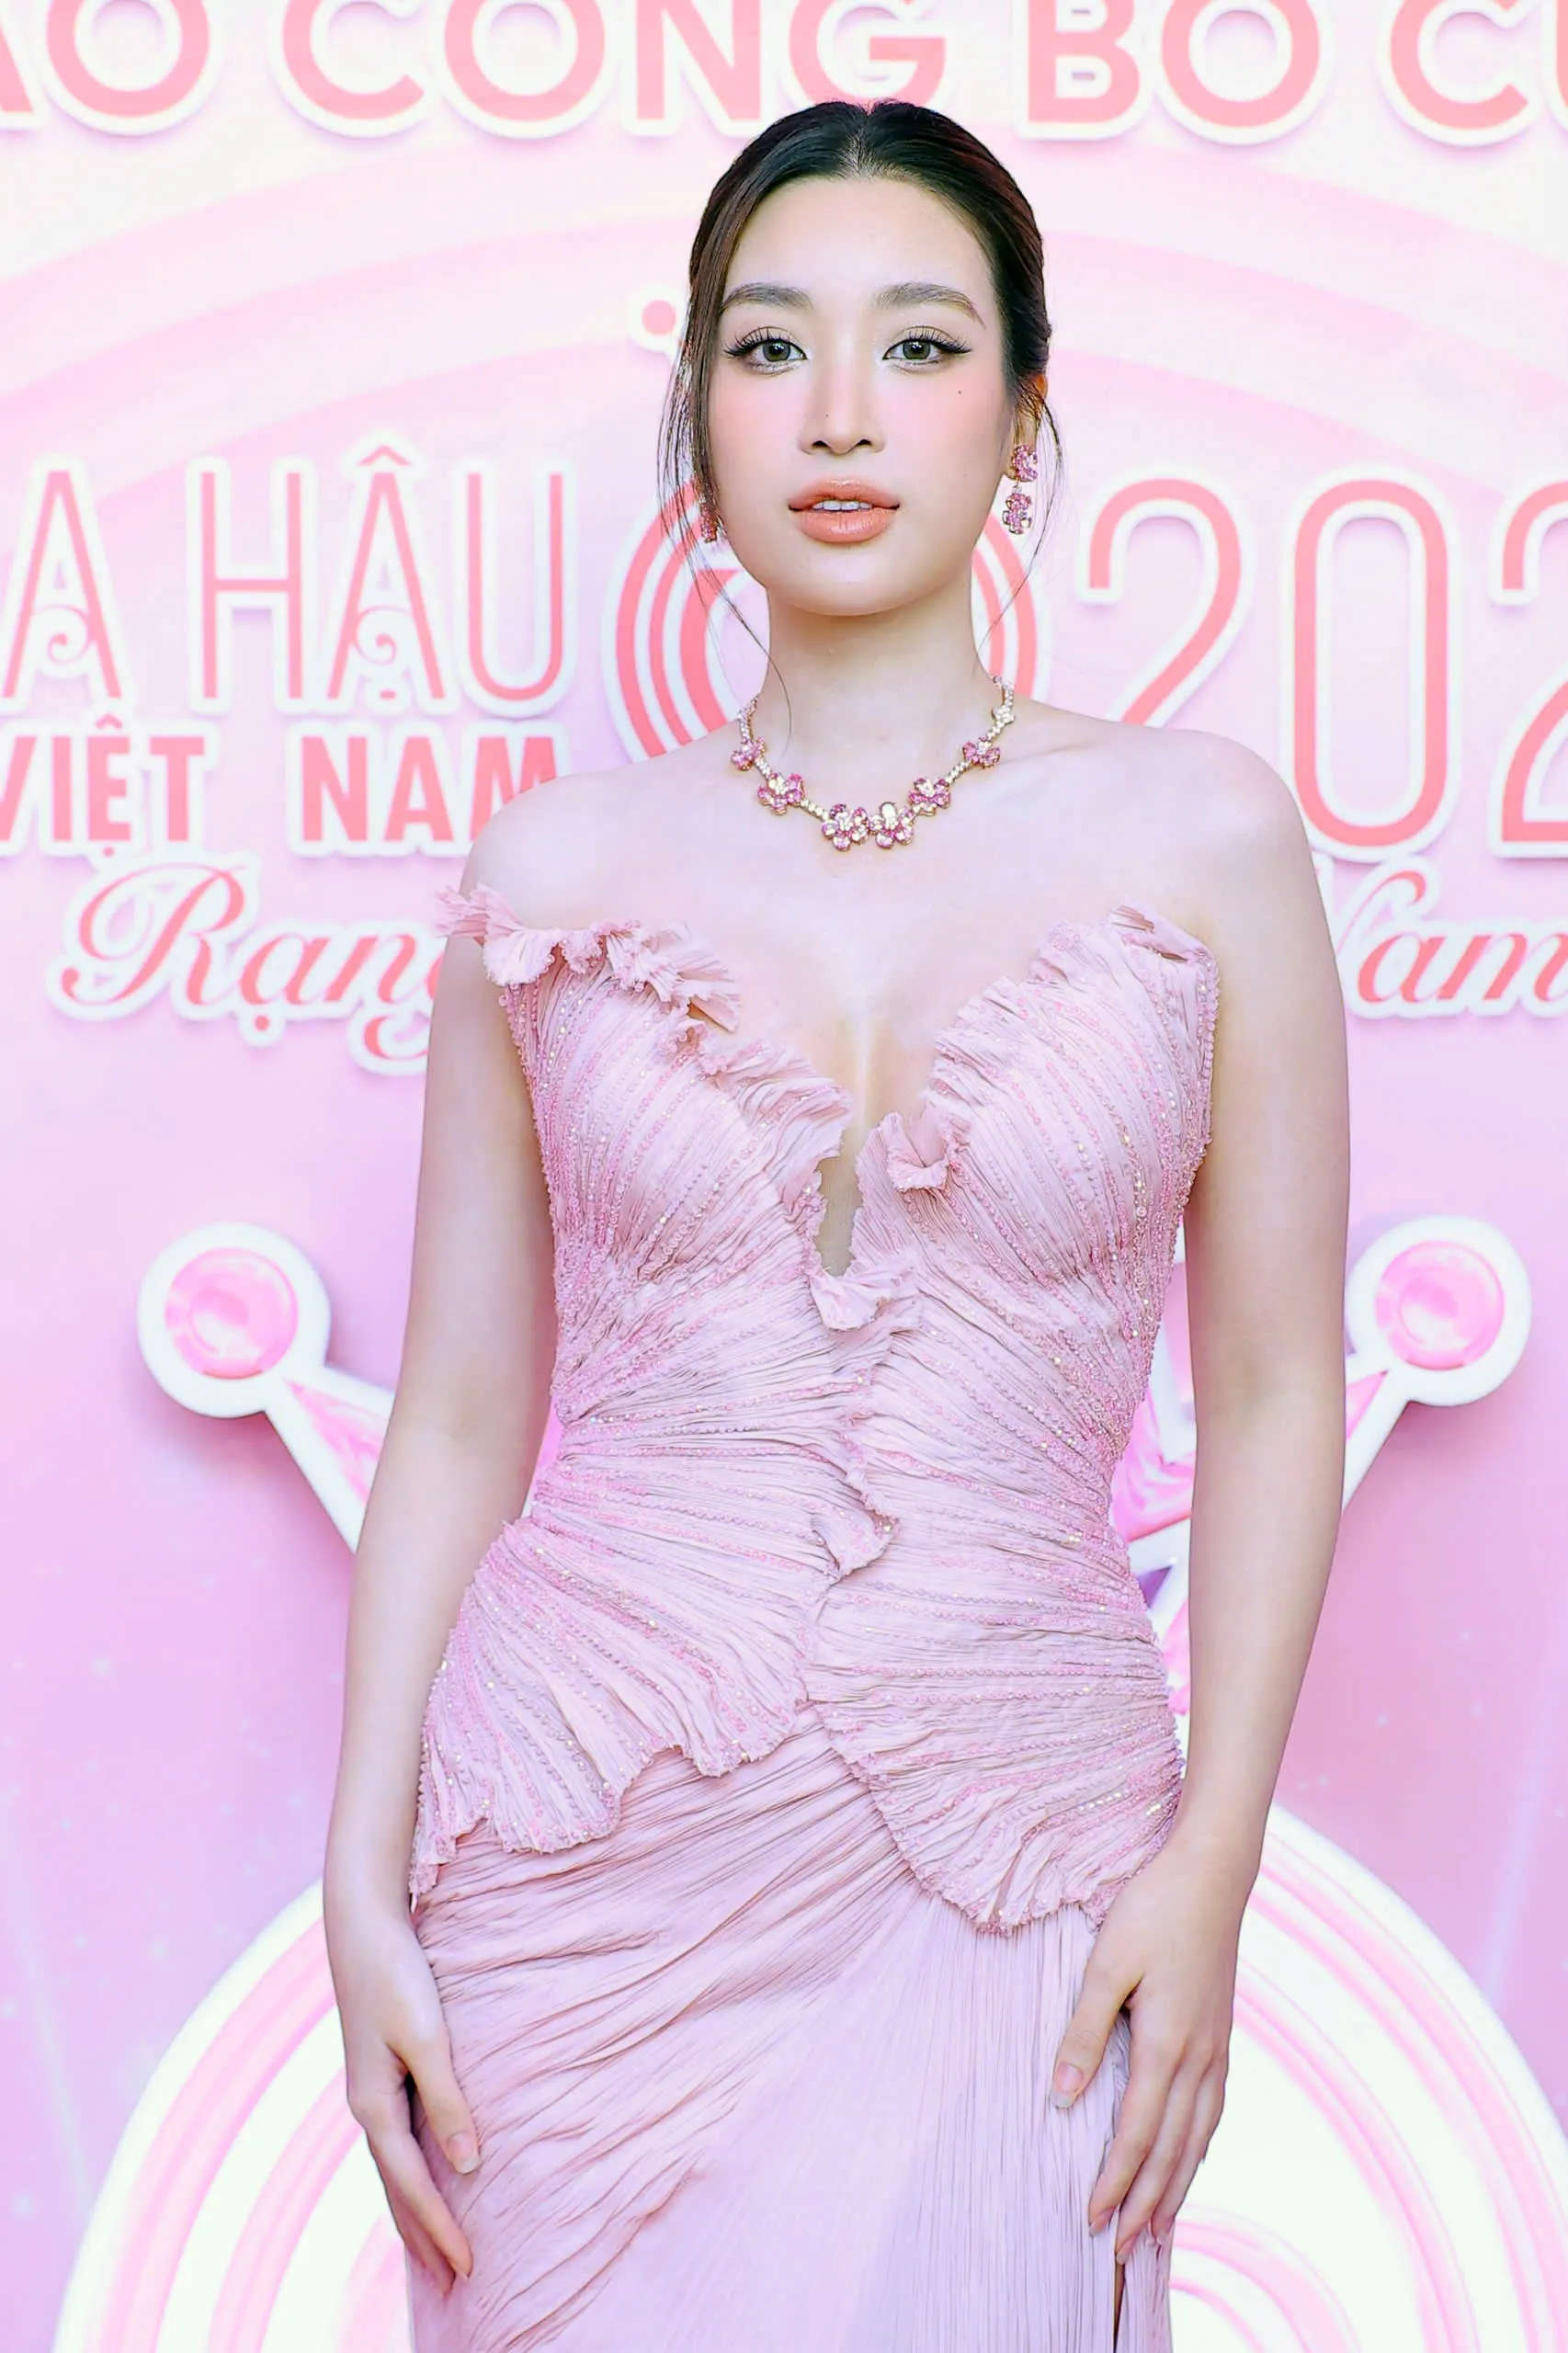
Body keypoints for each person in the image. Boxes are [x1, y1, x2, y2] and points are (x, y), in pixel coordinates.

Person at [323, 99, 1349, 2353]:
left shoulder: (1203, 834)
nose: (843, 414)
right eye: (773, 347)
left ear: (1024, 412)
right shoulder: (553, 866)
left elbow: (1280, 1385)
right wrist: (359, 1870)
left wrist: (1215, 1856)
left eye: (920, 344)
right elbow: (462, 1407)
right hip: (570, 1849)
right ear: (696, 412)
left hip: (1023, 1835)